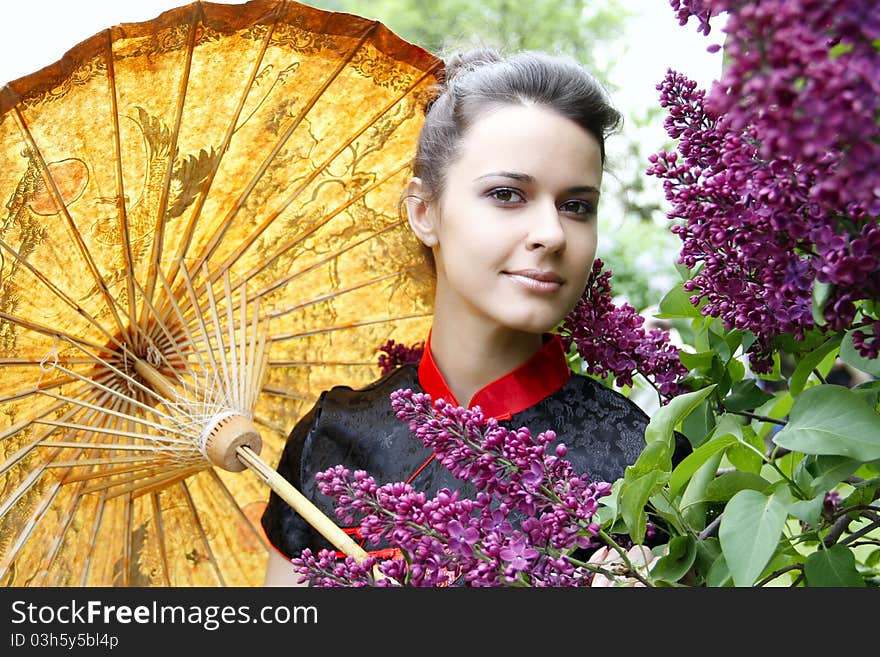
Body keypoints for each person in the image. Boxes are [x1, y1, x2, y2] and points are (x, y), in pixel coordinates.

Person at [260, 47, 689, 586]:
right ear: (424, 211)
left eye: (577, 205)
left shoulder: (643, 457)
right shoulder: (334, 442)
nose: (553, 234)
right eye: (508, 194)